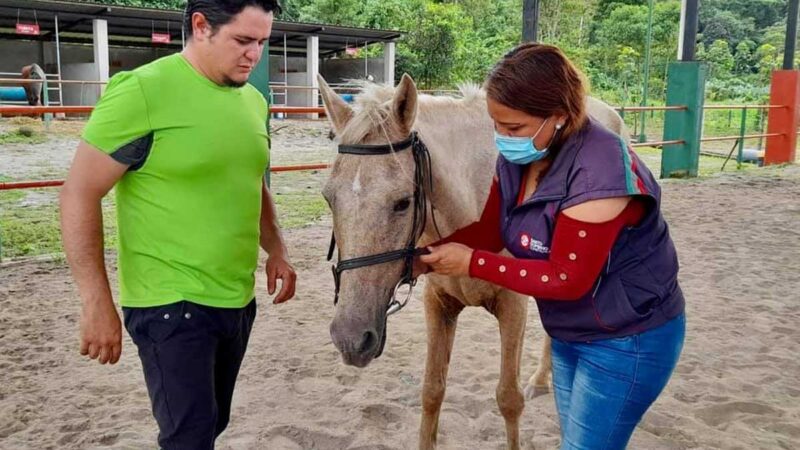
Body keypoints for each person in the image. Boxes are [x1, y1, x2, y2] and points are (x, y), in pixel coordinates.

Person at [419, 43, 685, 450]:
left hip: (627, 339)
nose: (502, 139)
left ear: (559, 117)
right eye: (496, 125)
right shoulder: (521, 156)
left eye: (513, 128)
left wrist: (471, 263)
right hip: (572, 332)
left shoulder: (600, 173)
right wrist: (424, 256)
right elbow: (491, 230)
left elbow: (566, 279)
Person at [59, 1, 296, 448]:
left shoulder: (253, 99)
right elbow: (79, 193)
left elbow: (249, 180)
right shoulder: (143, 91)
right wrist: (95, 302)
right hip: (168, 301)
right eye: (243, 40)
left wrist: (277, 249)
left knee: (211, 424)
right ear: (201, 26)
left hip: (236, 297)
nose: (254, 55)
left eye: (262, 42)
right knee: (188, 437)